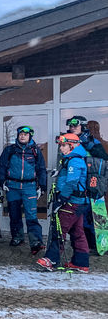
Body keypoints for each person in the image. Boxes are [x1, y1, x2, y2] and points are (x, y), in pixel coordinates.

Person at [37, 133, 90, 273]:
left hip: (71, 202)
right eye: (60, 145)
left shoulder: (75, 160)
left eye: (63, 145)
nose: (61, 148)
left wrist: (61, 199)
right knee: (77, 232)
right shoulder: (71, 159)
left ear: (72, 145)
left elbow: (72, 181)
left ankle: (52, 260)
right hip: (77, 202)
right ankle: (81, 262)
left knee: (59, 230)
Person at [0, 125, 47, 254]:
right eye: (20, 134)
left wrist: (42, 186)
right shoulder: (10, 150)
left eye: (25, 134)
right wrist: (1, 182)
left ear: (30, 136)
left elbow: (41, 169)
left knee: (31, 215)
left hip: (29, 187)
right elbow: (2, 166)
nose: (23, 136)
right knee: (14, 214)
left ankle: (35, 241)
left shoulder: (35, 151)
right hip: (12, 186)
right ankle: (17, 237)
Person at [66, 116, 108, 253]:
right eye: (70, 126)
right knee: (79, 217)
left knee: (91, 216)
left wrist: (88, 144)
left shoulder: (91, 140)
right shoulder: (68, 141)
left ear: (83, 126)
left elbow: (103, 157)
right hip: (76, 184)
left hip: (91, 182)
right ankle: (82, 246)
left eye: (75, 125)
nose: (72, 128)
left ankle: (97, 244)